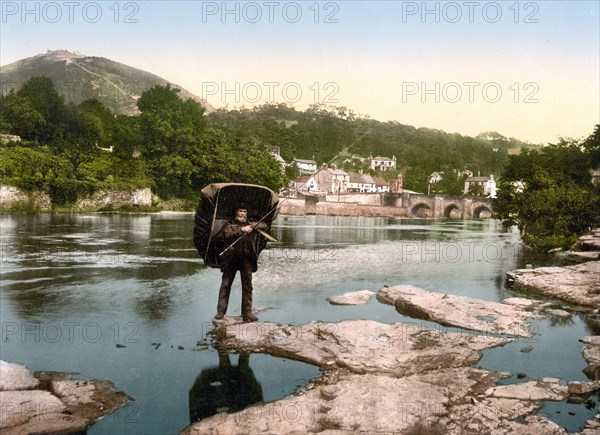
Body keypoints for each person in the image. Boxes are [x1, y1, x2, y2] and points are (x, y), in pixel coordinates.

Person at [214, 206, 268, 322]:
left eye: (245, 211)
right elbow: (224, 235)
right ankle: (220, 313)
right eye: (240, 211)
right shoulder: (229, 225)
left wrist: (253, 226)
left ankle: (247, 314)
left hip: (246, 259)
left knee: (247, 286)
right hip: (231, 259)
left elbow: (264, 225)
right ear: (236, 212)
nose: (243, 214)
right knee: (226, 285)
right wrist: (242, 230)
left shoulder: (250, 224)